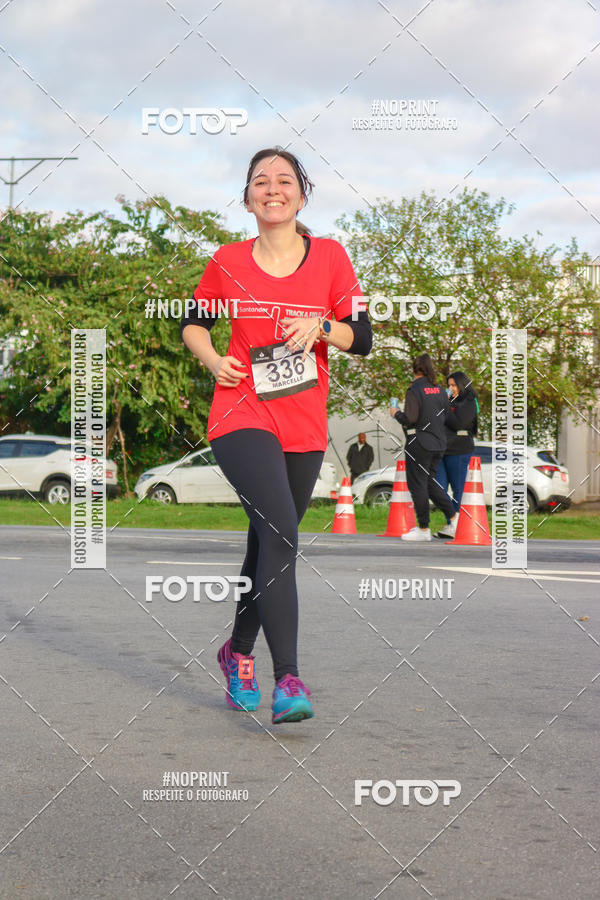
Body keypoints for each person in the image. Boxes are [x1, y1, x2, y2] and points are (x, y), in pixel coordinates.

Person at [181, 147, 372, 723]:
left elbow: (361, 337)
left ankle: (236, 652)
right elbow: (193, 324)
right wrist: (214, 360)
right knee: (283, 534)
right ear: (247, 198)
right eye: (260, 181)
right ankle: (288, 679)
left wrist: (323, 325)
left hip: (304, 421)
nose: (272, 189)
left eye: (284, 180)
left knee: (265, 541)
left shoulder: (332, 257)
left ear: (301, 195)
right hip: (240, 411)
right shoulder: (228, 260)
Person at [390, 353, 458, 541]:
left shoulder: (414, 390)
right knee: (430, 483)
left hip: (419, 443)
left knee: (418, 485)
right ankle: (454, 518)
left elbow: (410, 419)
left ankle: (423, 528)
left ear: (414, 369)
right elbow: (446, 414)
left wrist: (396, 413)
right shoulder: (438, 389)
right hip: (438, 443)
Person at [434, 371, 479, 539]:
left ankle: (455, 525)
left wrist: (444, 407)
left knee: (459, 489)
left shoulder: (469, 401)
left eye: (453, 385)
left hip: (460, 450)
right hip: (440, 449)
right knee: (439, 488)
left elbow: (458, 423)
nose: (450, 388)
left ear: (461, 385)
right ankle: (453, 521)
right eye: (449, 385)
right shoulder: (446, 401)